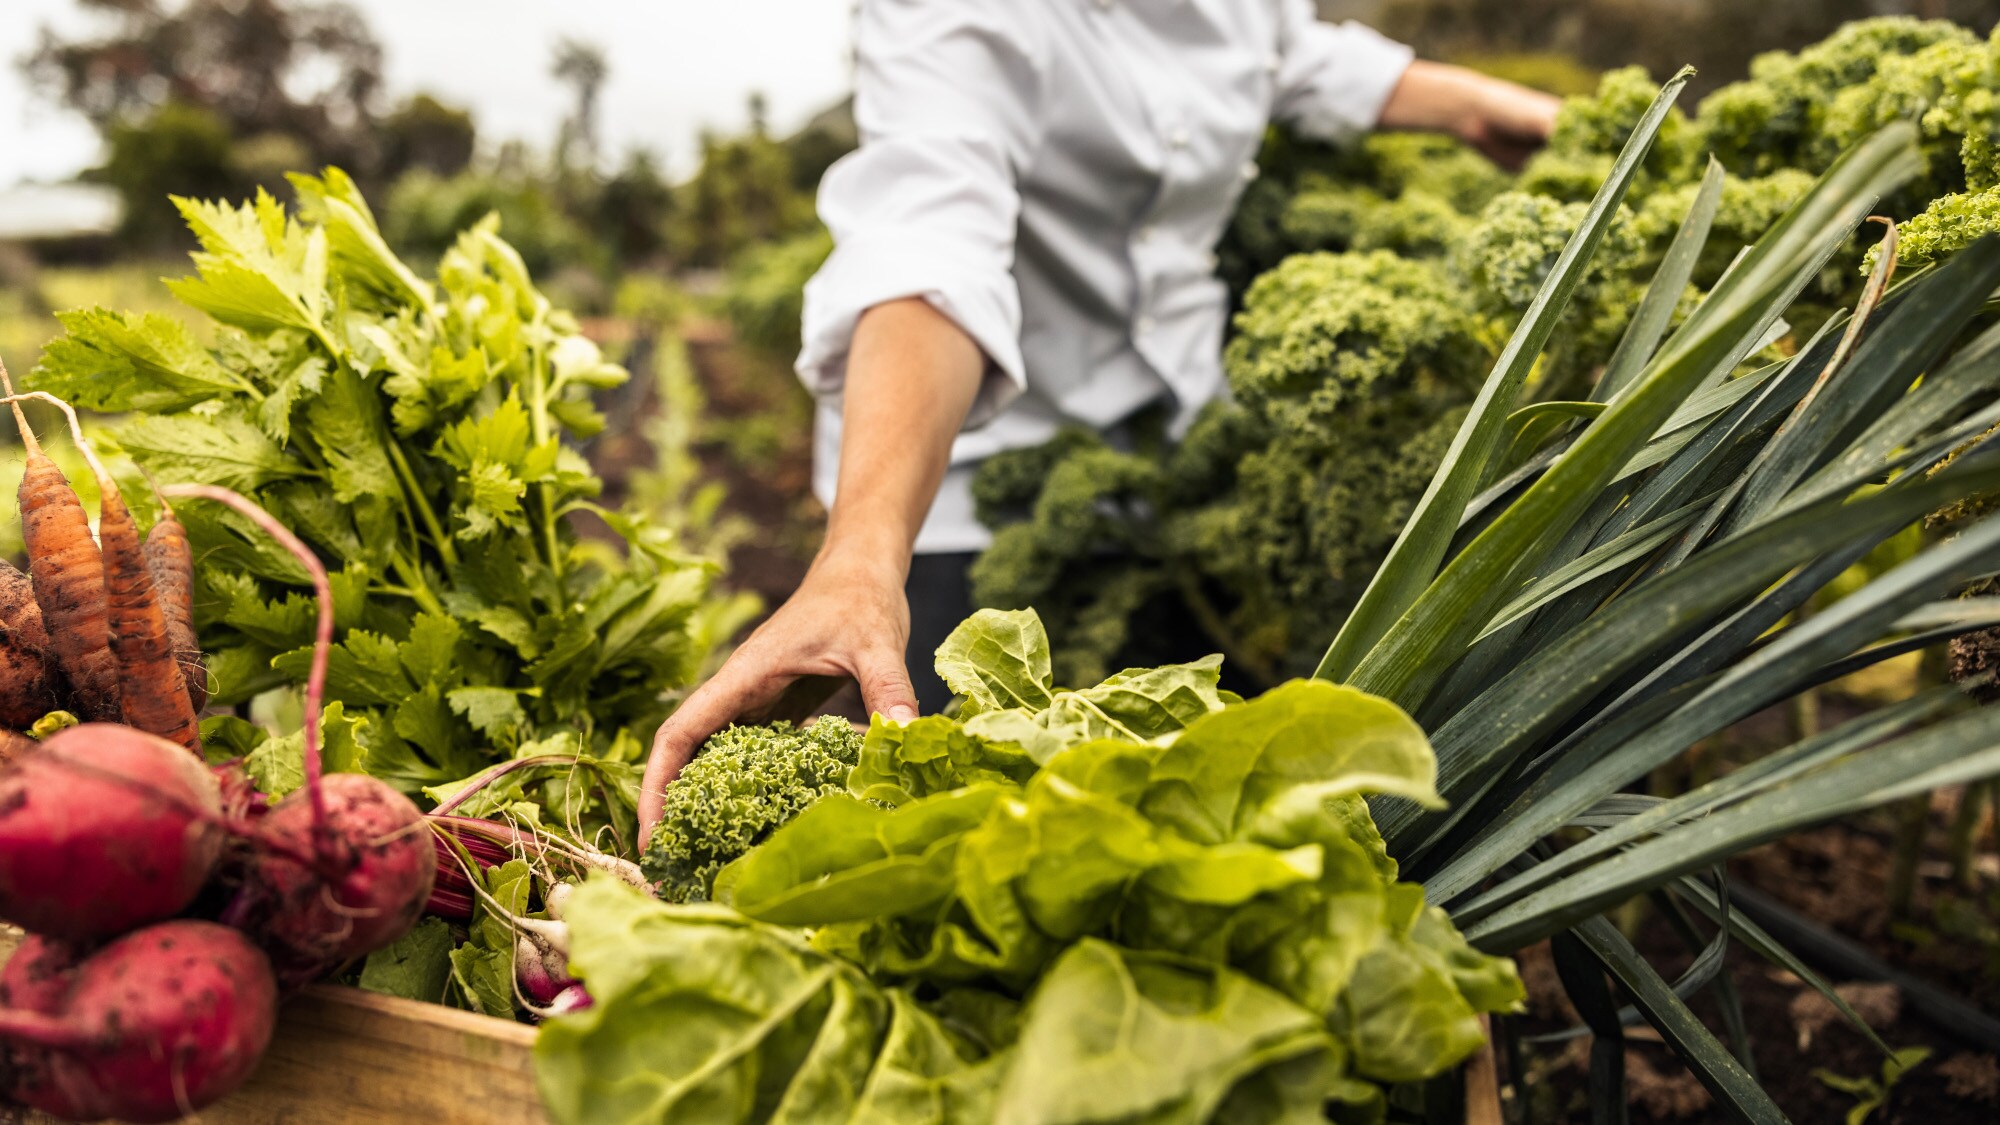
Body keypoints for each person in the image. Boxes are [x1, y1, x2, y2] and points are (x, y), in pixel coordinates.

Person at [640, 0, 1559, 836]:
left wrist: (1476, 106)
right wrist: (859, 561)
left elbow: (1284, 53)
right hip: (968, 476)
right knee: (974, 842)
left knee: (1203, 833)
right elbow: (931, 246)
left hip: (1179, 461)